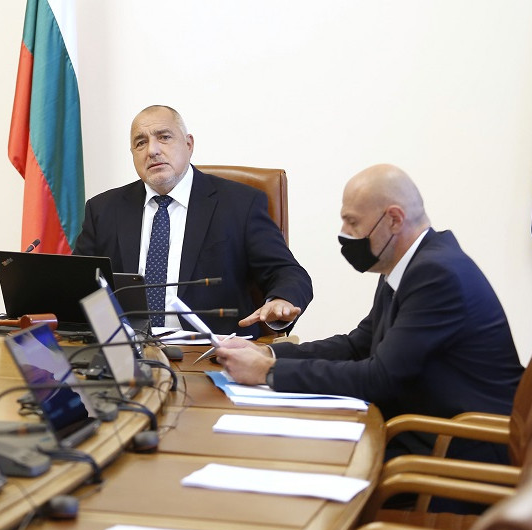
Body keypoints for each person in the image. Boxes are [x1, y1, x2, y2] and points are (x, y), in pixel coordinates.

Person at [218, 164, 523, 467]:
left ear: (394, 219)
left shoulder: (436, 274)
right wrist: (268, 353)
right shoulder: (406, 265)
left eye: (352, 222)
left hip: (459, 448)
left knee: (303, 461)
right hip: (422, 431)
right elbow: (357, 345)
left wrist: (268, 371)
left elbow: (379, 378)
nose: (344, 234)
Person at [74, 105, 313, 338]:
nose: (152, 150)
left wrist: (281, 300)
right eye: (140, 143)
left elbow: (287, 272)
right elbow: (79, 284)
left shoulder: (240, 204)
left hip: (215, 350)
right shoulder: (103, 209)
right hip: (128, 349)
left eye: (164, 137)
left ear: (189, 144)